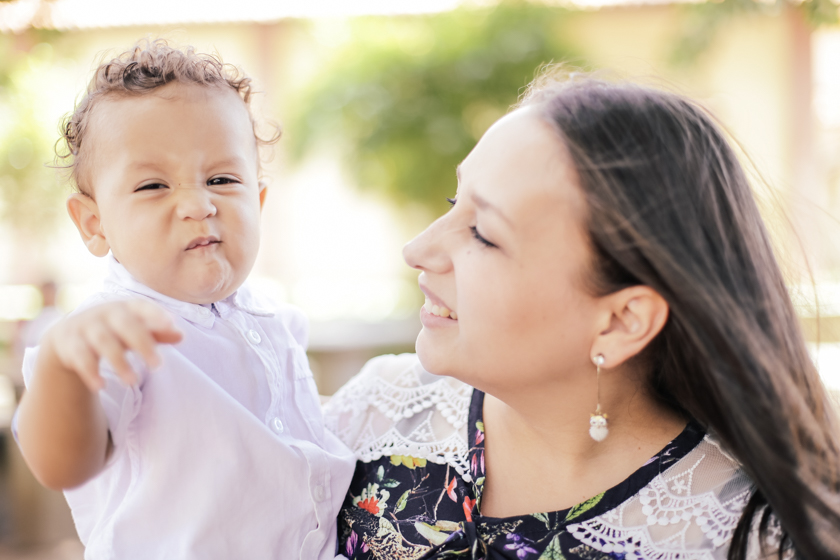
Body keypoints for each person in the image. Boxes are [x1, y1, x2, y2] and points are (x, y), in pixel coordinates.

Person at [323, 74, 840, 559]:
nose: (417, 249)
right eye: (453, 200)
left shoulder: (742, 535)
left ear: (620, 322)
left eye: (483, 233)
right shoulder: (375, 416)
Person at [14, 41, 355, 559]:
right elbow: (61, 465)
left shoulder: (276, 321)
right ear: (94, 223)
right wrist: (64, 365)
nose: (199, 205)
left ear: (258, 202)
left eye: (222, 179)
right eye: (153, 185)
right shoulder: (110, 332)